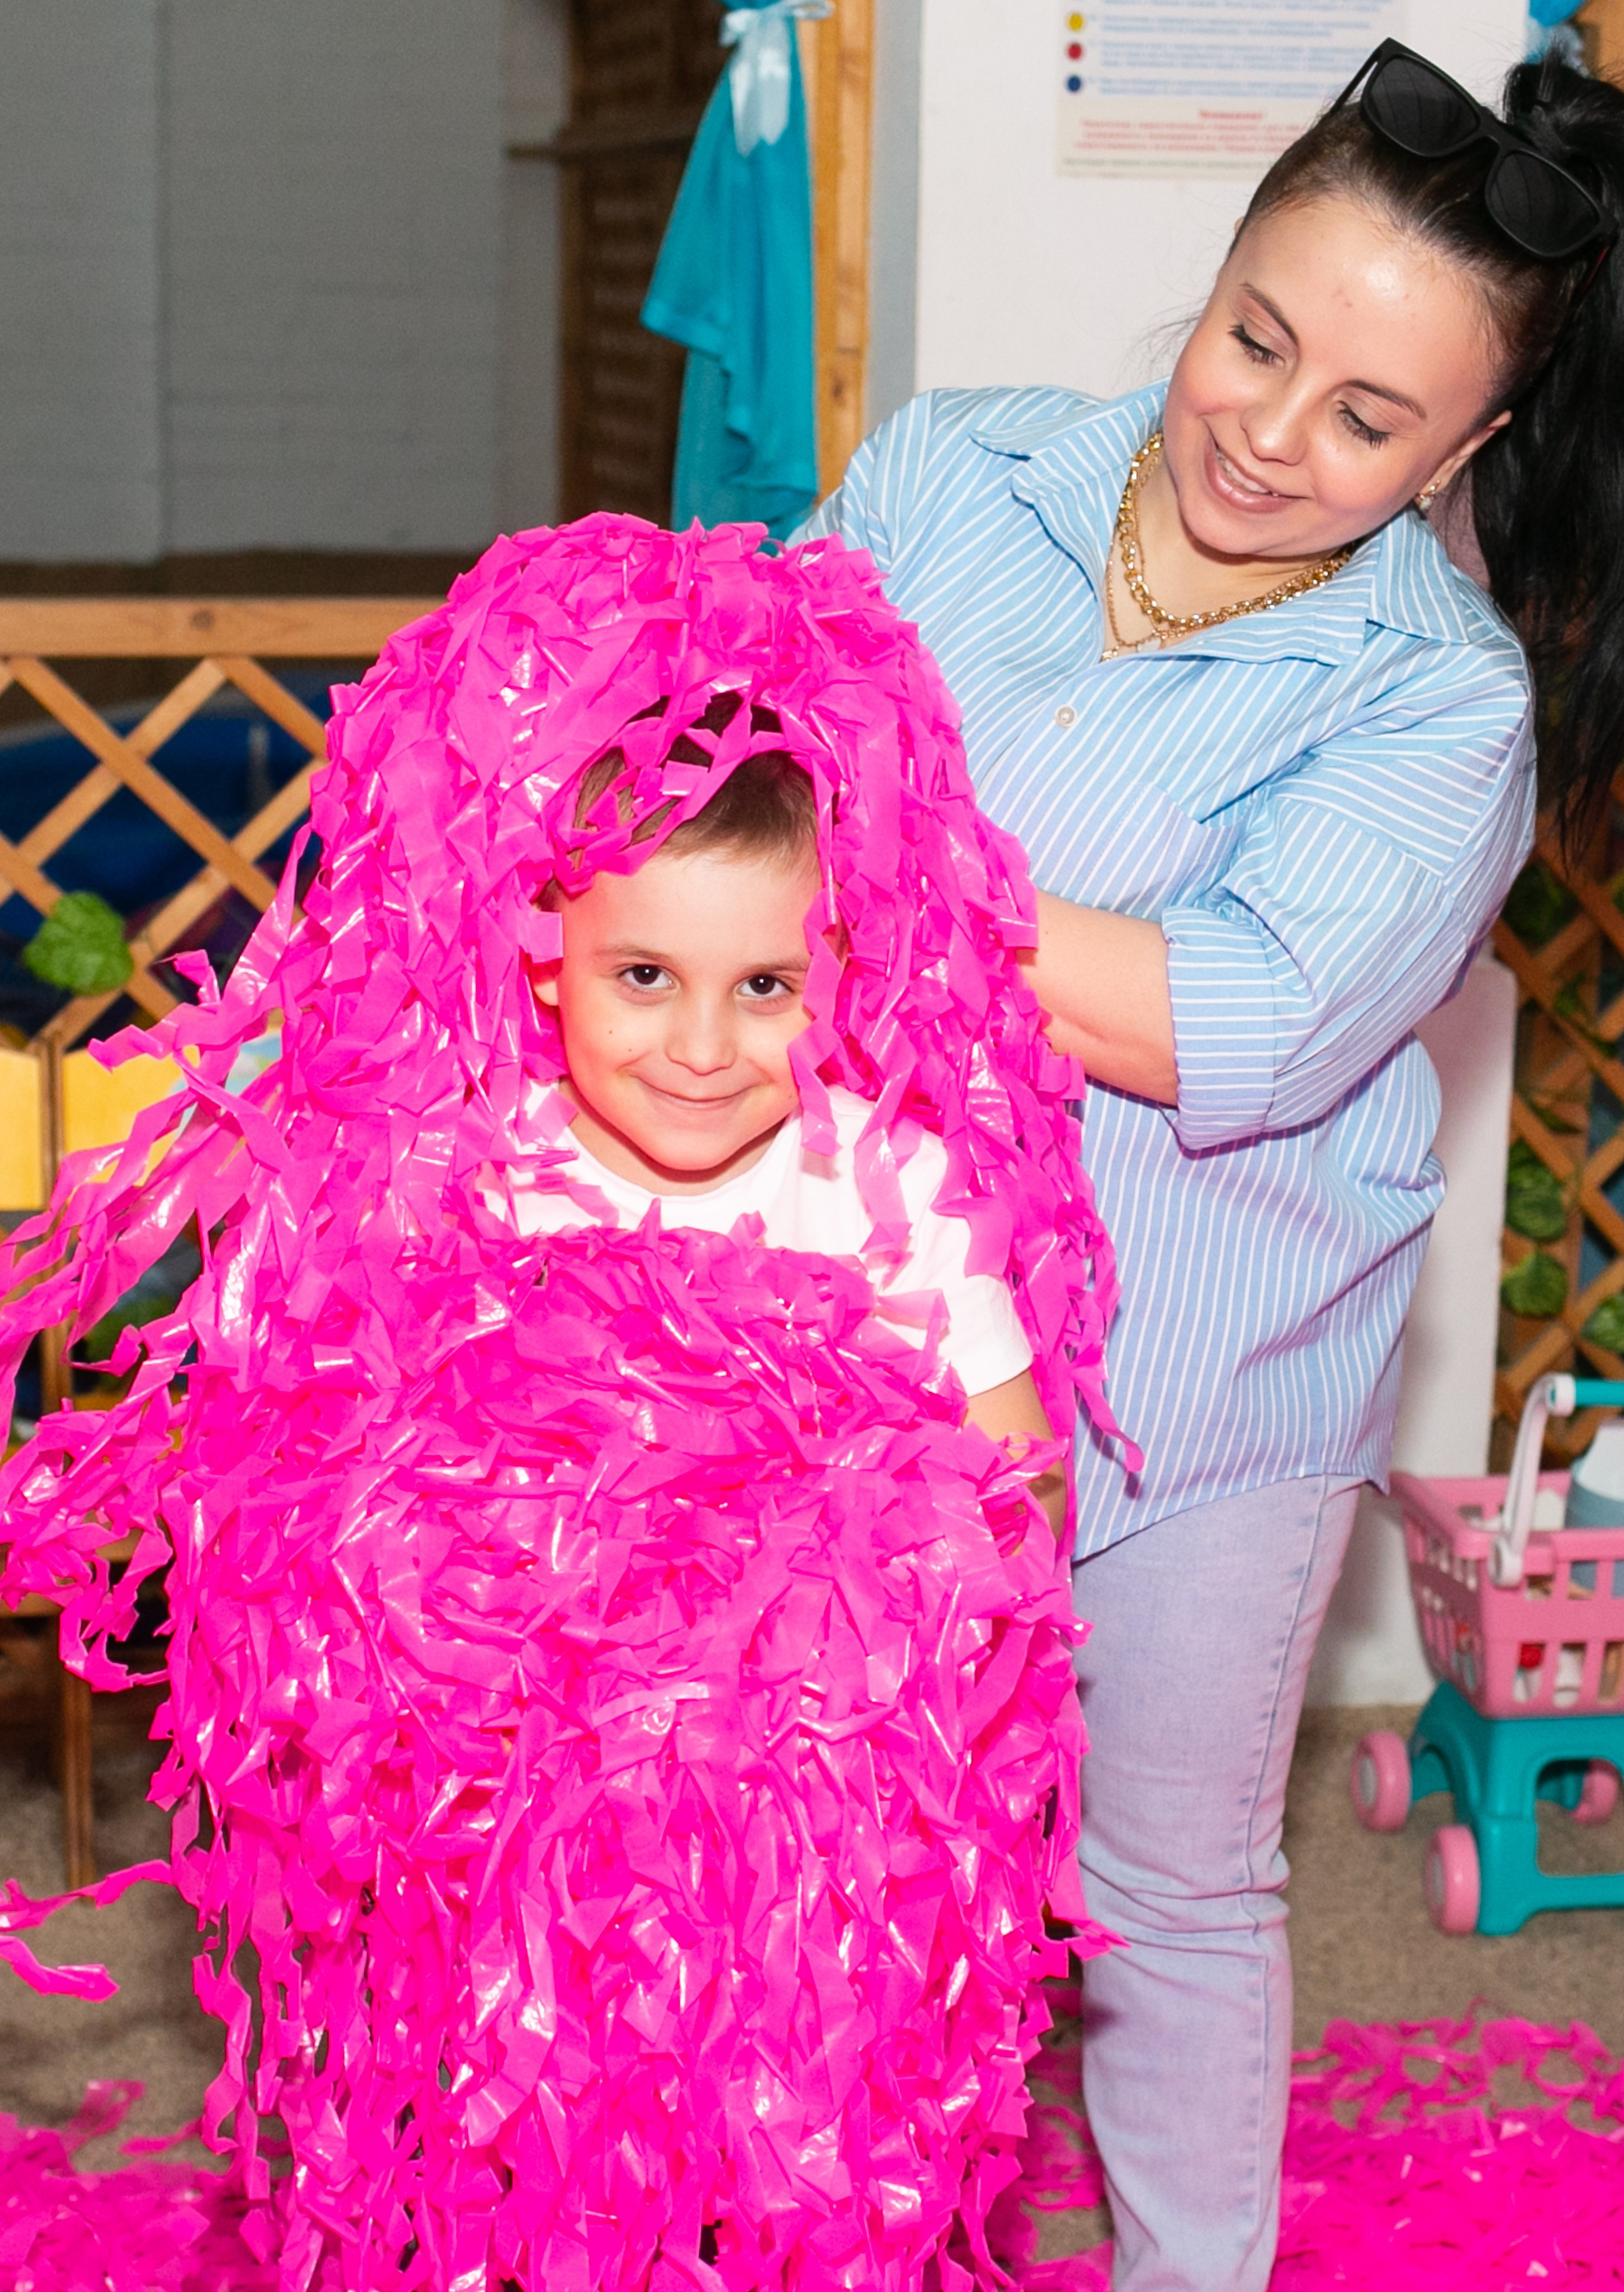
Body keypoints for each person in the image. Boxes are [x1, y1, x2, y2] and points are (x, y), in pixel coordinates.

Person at [797, 42, 1624, 2292]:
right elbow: (747, 751)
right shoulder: (958, 470)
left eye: (1368, 415)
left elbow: (1218, 1020)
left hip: (1206, 1383)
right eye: (1256, 336)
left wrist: (878, 848)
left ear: (1474, 450)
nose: (1268, 429)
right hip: (864, 1336)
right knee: (832, 1840)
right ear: (1220, 272)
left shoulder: (1440, 706)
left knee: (1162, 1890)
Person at [501, 746, 1066, 1530]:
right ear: (546, 954)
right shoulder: (476, 1181)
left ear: (837, 975)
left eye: (763, 987)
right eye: (644, 977)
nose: (702, 1052)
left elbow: (1025, 1489)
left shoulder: (896, 1194)